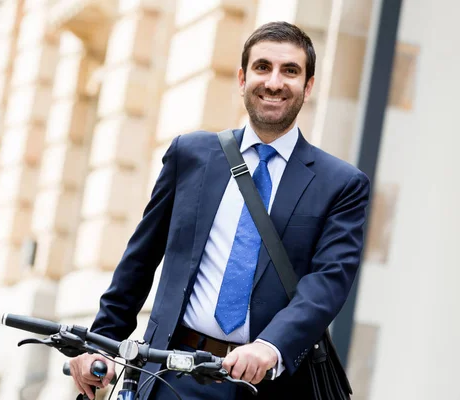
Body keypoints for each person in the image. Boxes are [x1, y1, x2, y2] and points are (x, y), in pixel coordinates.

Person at [69, 21, 370, 400]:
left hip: (269, 387)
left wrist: (271, 346)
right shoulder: (190, 155)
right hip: (171, 376)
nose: (274, 82)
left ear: (307, 86)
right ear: (242, 78)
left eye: (290, 71)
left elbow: (327, 283)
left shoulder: (341, 183)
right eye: (263, 67)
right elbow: (140, 259)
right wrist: (103, 341)